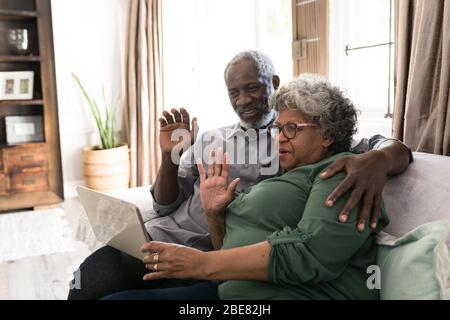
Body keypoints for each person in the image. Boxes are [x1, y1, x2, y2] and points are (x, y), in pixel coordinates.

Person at [68, 50, 411, 300]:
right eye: (234, 92)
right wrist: (170, 156)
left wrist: (381, 159)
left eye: (252, 88)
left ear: (273, 84)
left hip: (214, 259)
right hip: (168, 241)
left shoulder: (321, 146)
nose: (243, 99)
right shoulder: (213, 138)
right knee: (85, 281)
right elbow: (163, 204)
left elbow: (383, 147)